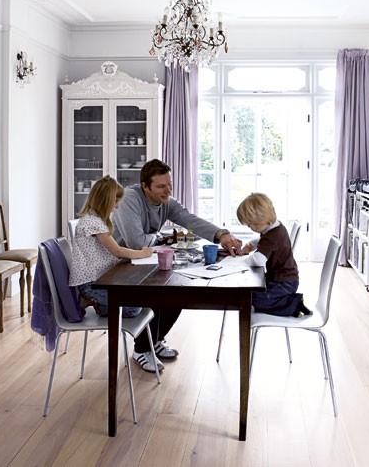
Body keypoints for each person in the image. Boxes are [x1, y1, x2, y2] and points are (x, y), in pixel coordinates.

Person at [112, 159, 243, 372]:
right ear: (146, 186)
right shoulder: (129, 199)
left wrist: (222, 234)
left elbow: (190, 219)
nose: (167, 191)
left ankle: (154, 340)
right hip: (121, 265)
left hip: (145, 260)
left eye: (169, 185)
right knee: (160, 294)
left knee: (178, 290)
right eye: (161, 186)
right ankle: (141, 349)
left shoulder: (166, 202)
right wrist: (164, 239)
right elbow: (135, 242)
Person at [68, 176, 162, 371]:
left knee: (142, 298)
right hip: (92, 284)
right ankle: (98, 304)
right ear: (106, 200)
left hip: (101, 280)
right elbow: (117, 250)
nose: (117, 207)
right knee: (136, 309)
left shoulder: (95, 220)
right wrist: (143, 253)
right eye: (116, 202)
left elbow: (108, 253)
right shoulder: (93, 223)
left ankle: (101, 304)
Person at [237, 192, 311, 317]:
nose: (249, 227)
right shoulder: (277, 228)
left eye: (251, 224)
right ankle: (288, 302)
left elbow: (259, 260)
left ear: (261, 220)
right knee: (253, 293)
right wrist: (251, 245)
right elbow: (263, 241)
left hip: (283, 283)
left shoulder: (271, 237)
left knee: (252, 299)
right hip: (284, 279)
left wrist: (241, 261)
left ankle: (292, 305)